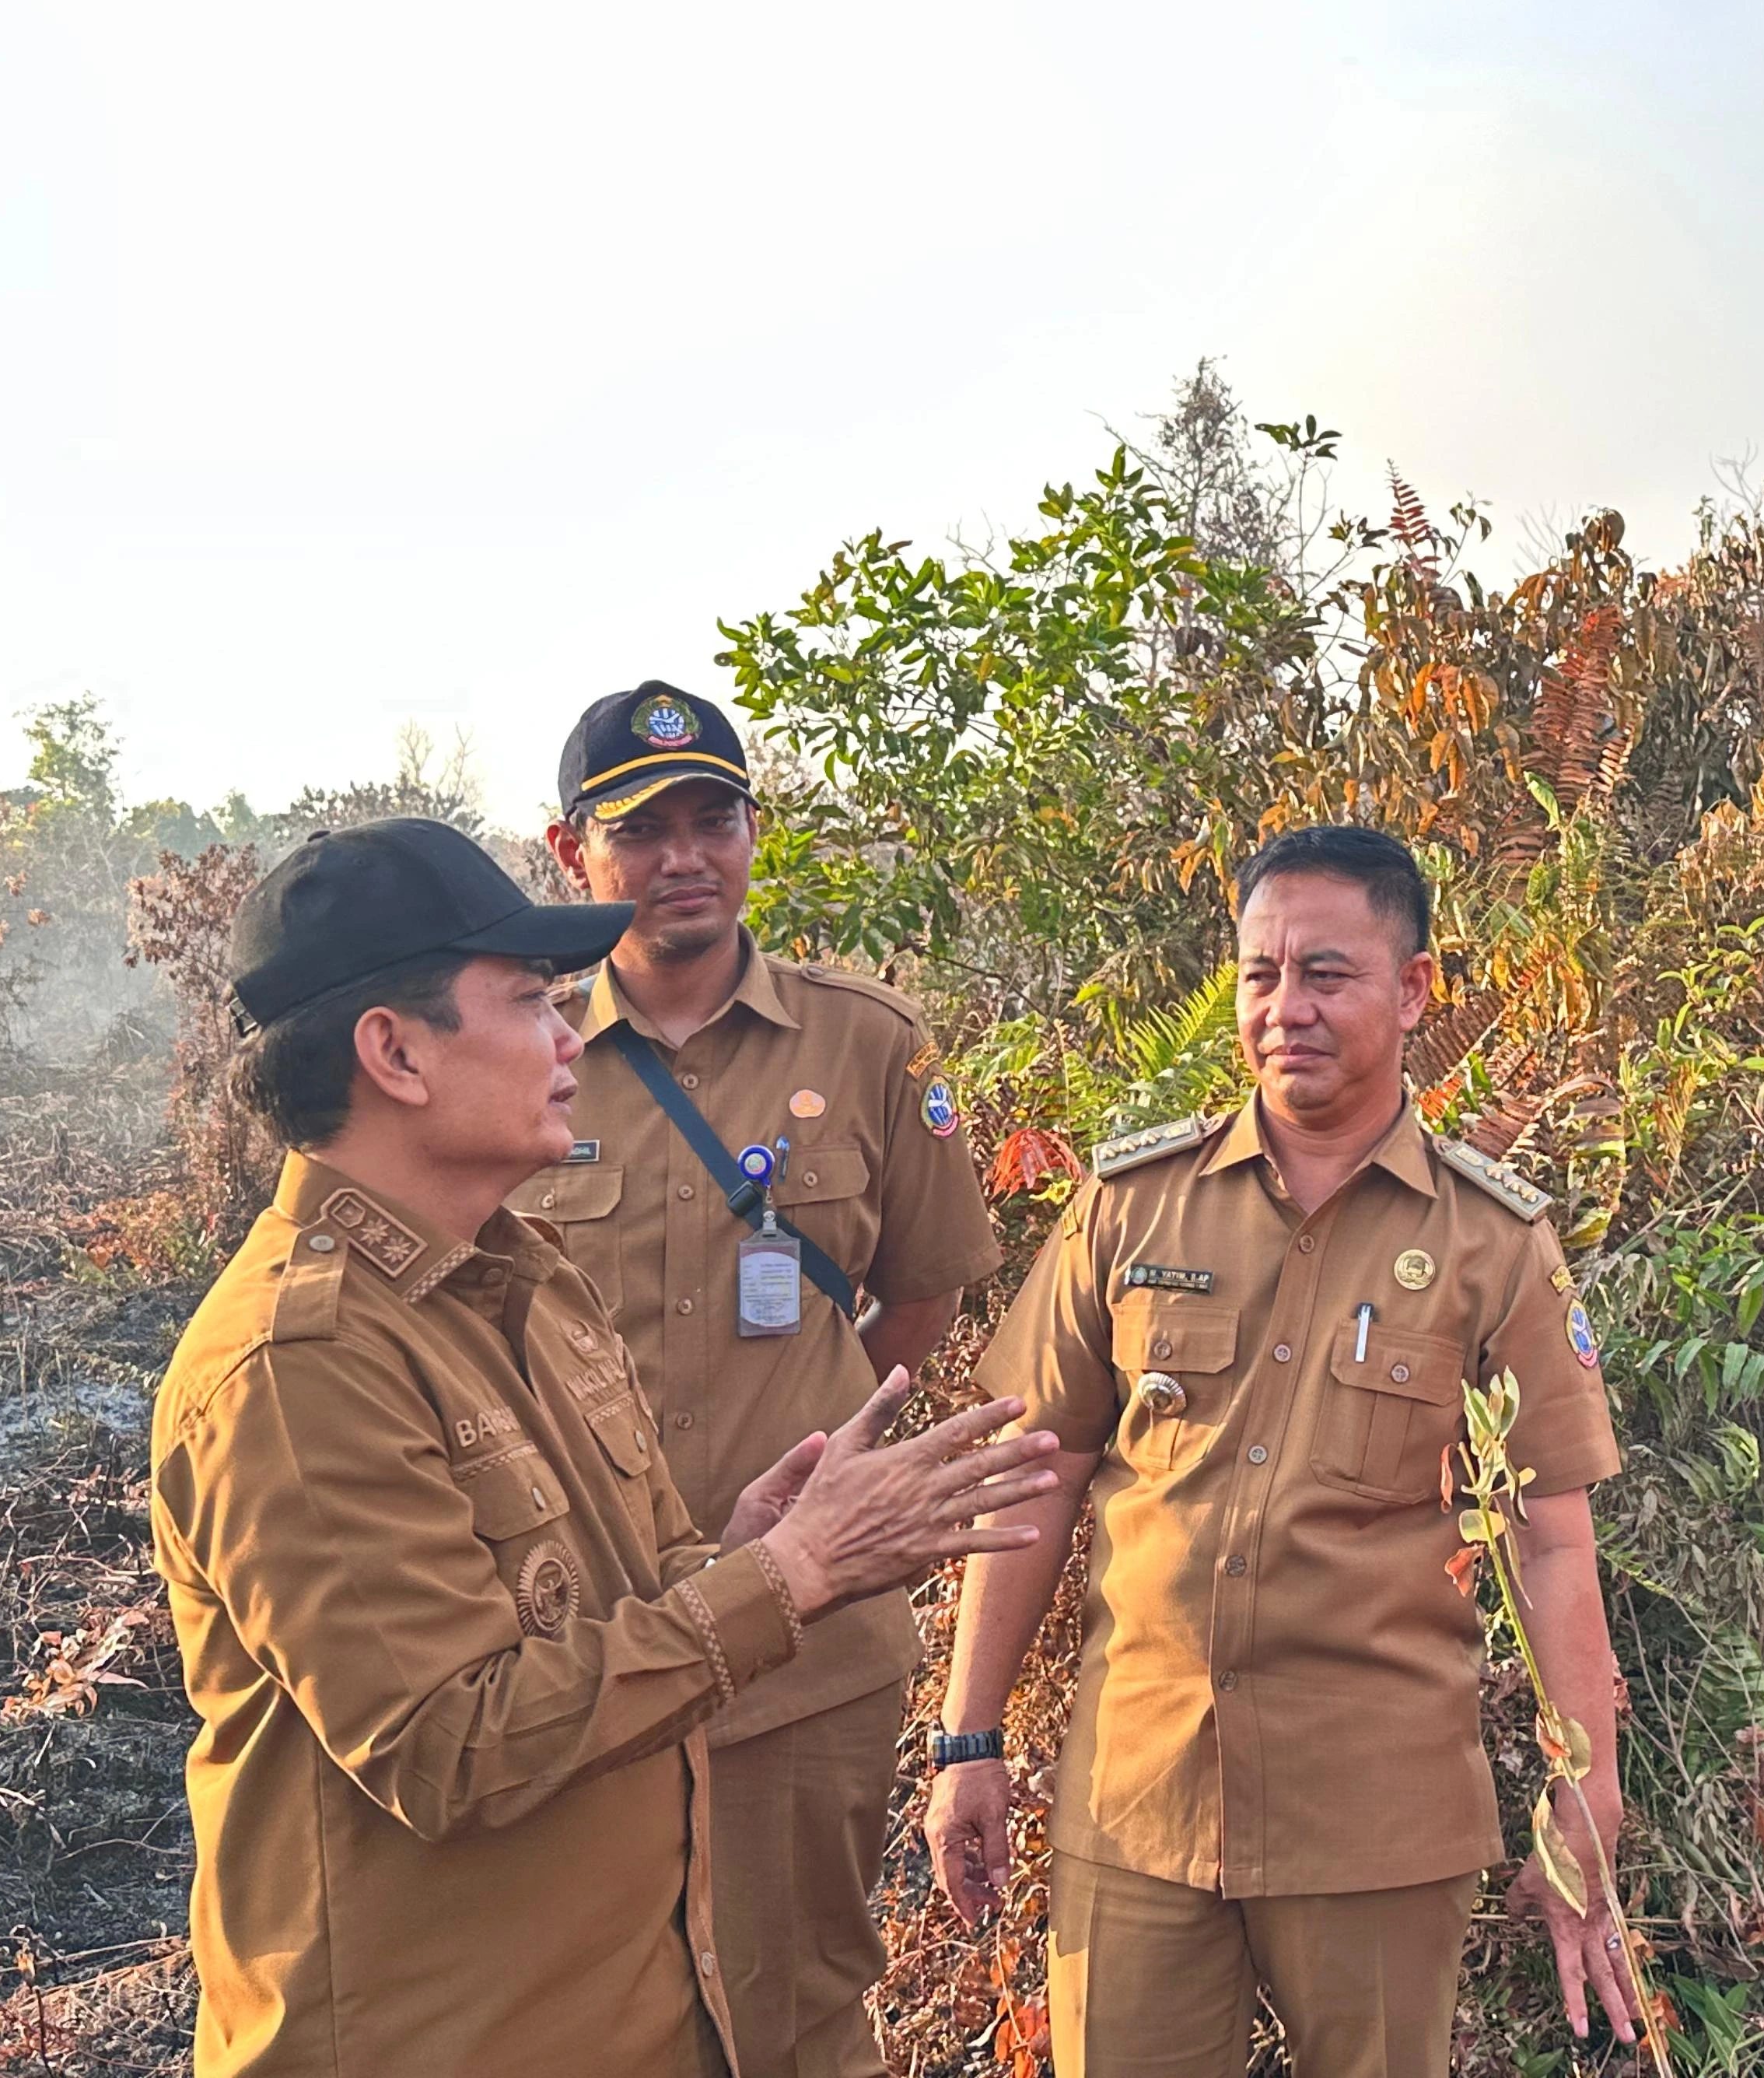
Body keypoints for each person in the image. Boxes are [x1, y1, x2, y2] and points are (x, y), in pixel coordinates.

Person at [149, 817, 1059, 2078]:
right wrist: (786, 1577)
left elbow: (598, 1601)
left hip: (621, 2014)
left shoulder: (523, 1278)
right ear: (394, 1052)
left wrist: (744, 1546)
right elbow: (450, 1746)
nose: (573, 1040)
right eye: (529, 1004)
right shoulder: (299, 1367)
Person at [923, 825, 1637, 2078]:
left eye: (1327, 973)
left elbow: (1552, 1539)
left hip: (1374, 1821)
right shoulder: (1134, 1205)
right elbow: (1032, 1477)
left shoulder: (1491, 1246)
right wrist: (968, 1736)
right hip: (1136, 1801)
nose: (1285, 1007)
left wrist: (1588, 1795)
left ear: (1414, 991)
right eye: (1261, 974)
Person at [519, 678, 1008, 2078]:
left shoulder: (866, 1042)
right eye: (642, 827)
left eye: (713, 818)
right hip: (584, 1648)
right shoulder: (527, 1054)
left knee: (796, 2019)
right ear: (573, 856)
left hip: (806, 1654)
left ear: (750, 831)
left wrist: (846, 1489)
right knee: (592, 2021)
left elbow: (925, 1289)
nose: (685, 856)